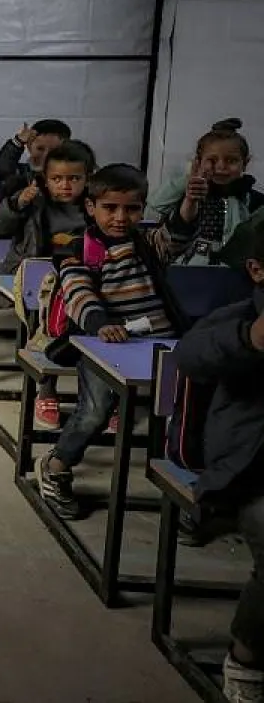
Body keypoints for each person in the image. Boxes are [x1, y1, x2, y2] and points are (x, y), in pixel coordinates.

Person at [37, 162, 203, 520]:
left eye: (131, 208)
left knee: (185, 412)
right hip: (104, 346)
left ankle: (184, 488)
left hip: (161, 345)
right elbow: (79, 294)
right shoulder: (78, 250)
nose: (120, 217)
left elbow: (177, 234)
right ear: (90, 207)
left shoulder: (147, 243)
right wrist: (101, 324)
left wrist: (189, 203)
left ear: (142, 209)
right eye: (110, 207)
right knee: (94, 412)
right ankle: (55, 466)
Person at [170, 228, 264, 702]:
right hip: (249, 467)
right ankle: (247, 656)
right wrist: (250, 340)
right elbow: (189, 357)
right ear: (257, 270)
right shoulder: (240, 320)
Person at [0, 140, 96, 430]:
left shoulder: (95, 207)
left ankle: (98, 396)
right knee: (48, 328)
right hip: (40, 285)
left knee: (95, 331)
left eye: (74, 178)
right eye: (57, 179)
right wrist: (17, 203)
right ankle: (47, 389)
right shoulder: (34, 202)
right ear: (46, 179)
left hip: (86, 284)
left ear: (88, 178)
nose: (65, 185)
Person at [151, 119, 263, 266]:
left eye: (231, 161)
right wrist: (190, 180)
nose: (221, 167)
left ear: (245, 163)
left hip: (237, 271)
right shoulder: (191, 195)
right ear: (198, 162)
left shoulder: (254, 201)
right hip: (190, 269)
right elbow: (154, 207)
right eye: (212, 160)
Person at [0, 119, 71, 201]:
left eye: (54, 151)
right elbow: (2, 167)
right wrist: (18, 142)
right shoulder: (21, 172)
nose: (46, 155)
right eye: (40, 148)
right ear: (29, 146)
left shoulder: (68, 175)